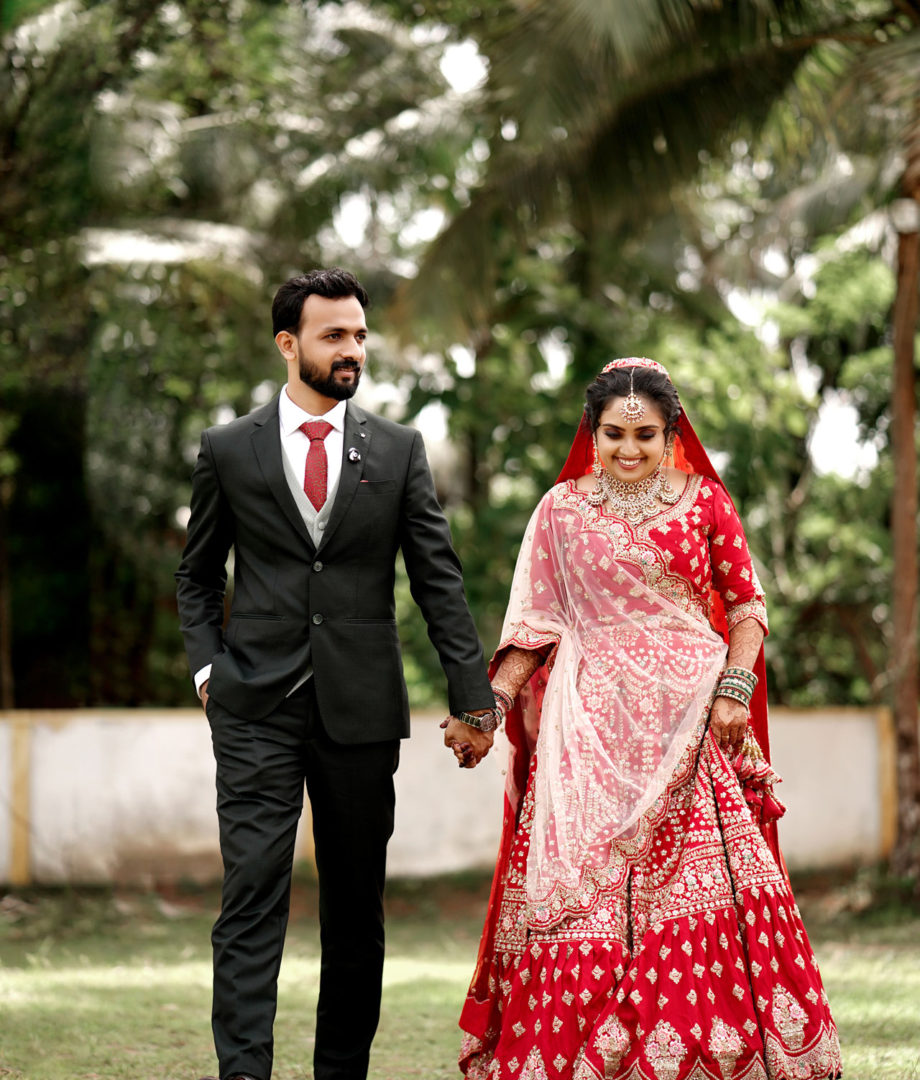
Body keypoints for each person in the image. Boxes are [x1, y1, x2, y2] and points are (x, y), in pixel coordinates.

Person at [449, 358, 843, 1080]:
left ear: (671, 434)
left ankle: (714, 1053)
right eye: (613, 434)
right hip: (588, 732)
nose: (628, 449)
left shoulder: (705, 502)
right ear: (592, 433)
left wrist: (733, 689)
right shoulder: (560, 511)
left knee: (707, 893)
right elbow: (533, 629)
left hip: (689, 727)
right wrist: (489, 707)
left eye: (645, 435)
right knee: (581, 904)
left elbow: (747, 606)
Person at [175, 267, 497, 1080]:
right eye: (334, 336)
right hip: (253, 704)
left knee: (355, 907)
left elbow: (437, 580)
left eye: (358, 335)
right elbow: (197, 574)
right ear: (289, 344)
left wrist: (474, 699)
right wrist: (208, 671)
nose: (352, 349)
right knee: (252, 894)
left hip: (360, 708)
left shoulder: (397, 449)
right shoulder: (228, 449)